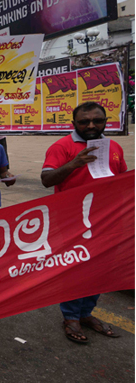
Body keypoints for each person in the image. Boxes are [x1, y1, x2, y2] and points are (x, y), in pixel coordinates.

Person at [41, 101, 128, 343]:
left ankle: (87, 314)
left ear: (105, 121)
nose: (91, 125)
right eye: (84, 121)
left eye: (97, 120)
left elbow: (121, 182)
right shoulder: (62, 147)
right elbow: (46, 179)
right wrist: (74, 163)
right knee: (75, 271)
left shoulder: (114, 147)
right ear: (74, 124)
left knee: (99, 271)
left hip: (106, 224)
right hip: (72, 224)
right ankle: (70, 317)